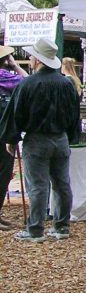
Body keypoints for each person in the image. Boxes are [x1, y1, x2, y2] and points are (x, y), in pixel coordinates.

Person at [0, 36, 81, 243]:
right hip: (60, 139)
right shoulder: (66, 84)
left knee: (38, 186)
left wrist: (11, 139)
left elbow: (16, 114)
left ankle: (35, 229)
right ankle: (62, 226)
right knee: (62, 184)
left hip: (36, 140)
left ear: (37, 60)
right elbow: (74, 115)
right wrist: (71, 136)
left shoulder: (27, 84)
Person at [0, 46, 28, 230]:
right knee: (3, 172)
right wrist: (15, 64)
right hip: (2, 132)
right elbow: (26, 81)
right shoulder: (4, 76)